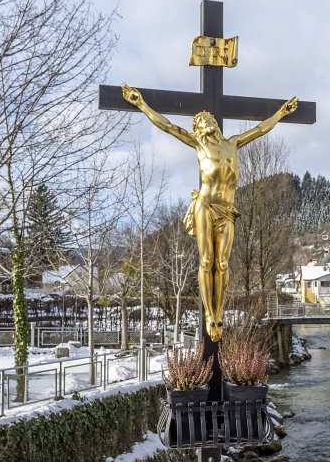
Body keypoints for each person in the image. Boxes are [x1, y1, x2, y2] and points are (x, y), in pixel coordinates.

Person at [121, 85, 297, 341]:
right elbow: (167, 126)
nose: (208, 121)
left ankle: (219, 312)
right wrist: (142, 104)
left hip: (227, 210)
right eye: (203, 121)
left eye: (209, 118)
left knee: (222, 263)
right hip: (205, 205)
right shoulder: (198, 145)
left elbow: (260, 129)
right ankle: (209, 317)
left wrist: (281, 113)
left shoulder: (233, 144)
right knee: (206, 261)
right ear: (198, 128)